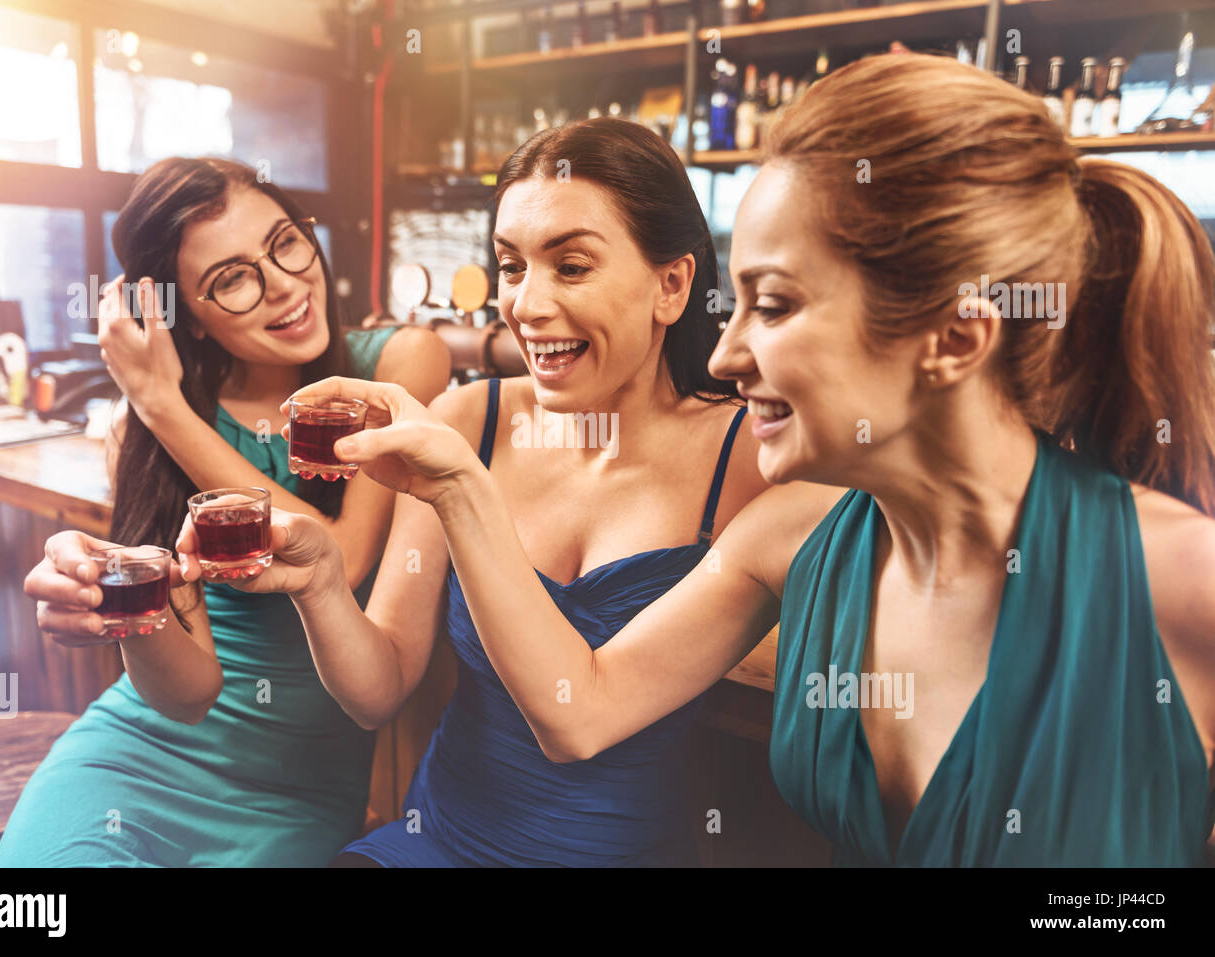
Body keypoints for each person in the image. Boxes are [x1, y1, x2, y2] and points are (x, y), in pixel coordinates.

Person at [244, 55, 1215, 866]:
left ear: (954, 339)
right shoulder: (791, 538)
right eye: (511, 264)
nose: (723, 354)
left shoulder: (1180, 576)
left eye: (777, 305)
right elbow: (575, 711)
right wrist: (437, 495)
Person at [180, 118, 775, 866]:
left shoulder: (750, 453)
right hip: (440, 841)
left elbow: (578, 719)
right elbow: (381, 685)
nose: (525, 305)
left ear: (672, 284)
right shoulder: (472, 418)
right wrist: (321, 584)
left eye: (572, 265)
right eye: (512, 266)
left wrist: (462, 490)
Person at [0, 157, 450, 867]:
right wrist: (124, 611)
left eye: (285, 242)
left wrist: (161, 405)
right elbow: (188, 693)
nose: (284, 286)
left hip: (292, 793)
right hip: (135, 759)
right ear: (190, 320)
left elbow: (340, 551)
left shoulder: (398, 366)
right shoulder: (140, 435)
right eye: (231, 279)